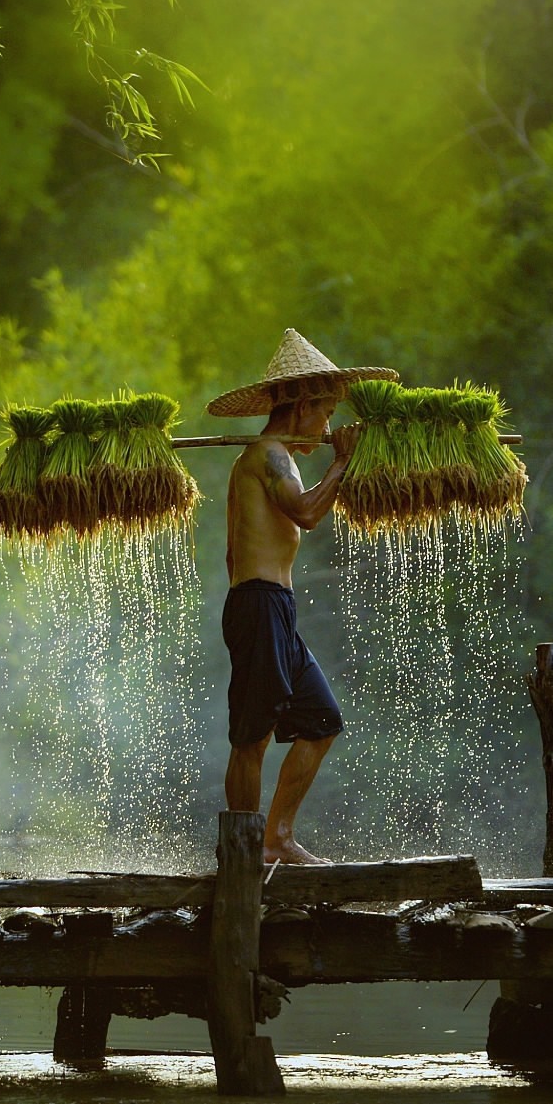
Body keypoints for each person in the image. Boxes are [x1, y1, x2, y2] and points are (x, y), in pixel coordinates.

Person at [205, 329, 397, 864]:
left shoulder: (270, 457)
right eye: (327, 412)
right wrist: (341, 463)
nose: (329, 426)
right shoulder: (268, 455)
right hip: (259, 603)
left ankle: (277, 838)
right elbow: (307, 514)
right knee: (254, 736)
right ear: (302, 405)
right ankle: (243, 853)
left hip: (275, 607)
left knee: (321, 720)